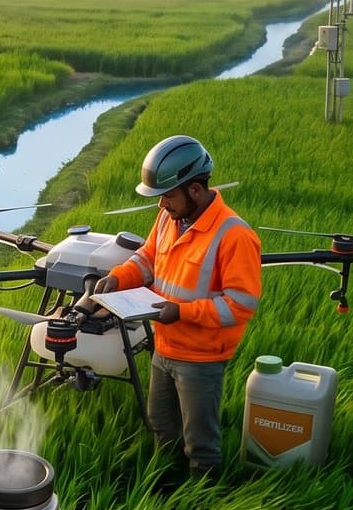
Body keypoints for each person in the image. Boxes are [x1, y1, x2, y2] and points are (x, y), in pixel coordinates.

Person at [93, 135, 261, 478]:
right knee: (161, 429)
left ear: (195, 190)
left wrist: (181, 312)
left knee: (200, 443)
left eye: (167, 196)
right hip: (164, 348)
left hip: (201, 359)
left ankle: (203, 506)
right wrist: (118, 278)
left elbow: (240, 306)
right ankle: (166, 489)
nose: (161, 206)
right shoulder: (170, 221)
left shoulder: (234, 235)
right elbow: (147, 260)